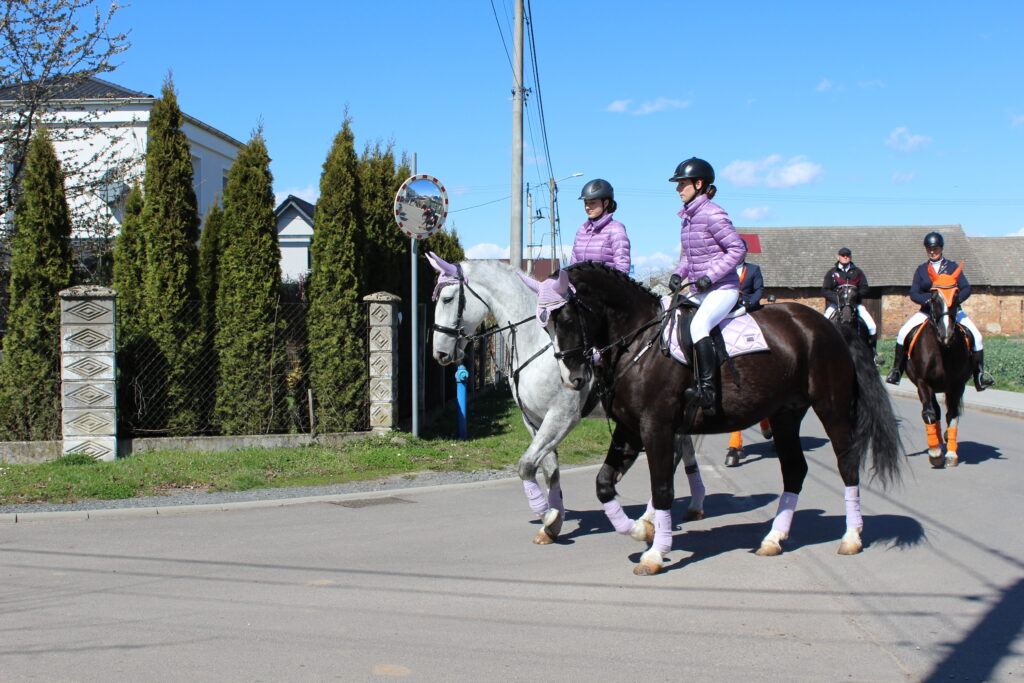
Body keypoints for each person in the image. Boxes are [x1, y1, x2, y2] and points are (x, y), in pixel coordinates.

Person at [670, 157, 746, 414]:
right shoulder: (687, 218)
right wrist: (678, 274)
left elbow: (737, 249)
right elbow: (688, 257)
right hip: (699, 290)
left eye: (682, 184)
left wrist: (710, 276)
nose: (678, 189)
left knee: (699, 325)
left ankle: (708, 391)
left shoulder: (713, 213)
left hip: (722, 288)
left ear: (699, 183)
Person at [886, 231, 994, 391]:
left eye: (935, 248)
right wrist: (928, 301)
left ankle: (979, 376)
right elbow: (914, 293)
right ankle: (896, 371)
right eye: (929, 248)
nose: (932, 251)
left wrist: (953, 302)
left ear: (941, 248)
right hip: (927, 312)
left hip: (952, 312)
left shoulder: (952, 267)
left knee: (977, 337)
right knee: (902, 333)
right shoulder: (922, 270)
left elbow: (966, 288)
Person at [725, 242, 771, 466]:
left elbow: (759, 290)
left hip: (748, 310)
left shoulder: (753, 270)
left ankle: (765, 420)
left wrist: (748, 303)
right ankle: (735, 442)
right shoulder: (724, 267)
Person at [822, 247, 878, 354]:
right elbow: (825, 290)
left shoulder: (858, 272)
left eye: (847, 255)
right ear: (838, 257)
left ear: (850, 257)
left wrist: (854, 297)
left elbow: (865, 288)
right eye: (843, 255)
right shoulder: (832, 273)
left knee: (872, 326)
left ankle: (873, 354)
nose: (845, 257)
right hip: (836, 305)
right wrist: (838, 300)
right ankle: (822, 352)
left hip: (855, 305)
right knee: (822, 325)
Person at [569, 179, 631, 273]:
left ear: (605, 203)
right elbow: (572, 266)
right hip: (580, 287)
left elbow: (622, 268)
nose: (587, 207)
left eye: (592, 202)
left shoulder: (616, 229)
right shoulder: (582, 230)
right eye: (586, 203)